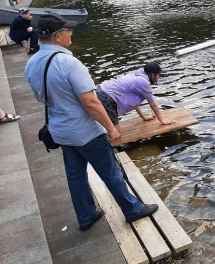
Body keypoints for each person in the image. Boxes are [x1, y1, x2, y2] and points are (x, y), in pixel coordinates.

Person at [24, 13, 159, 231]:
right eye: (69, 31)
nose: (71, 34)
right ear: (58, 36)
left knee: (75, 175)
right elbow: (91, 103)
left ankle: (86, 216)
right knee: (110, 171)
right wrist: (110, 128)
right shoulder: (69, 63)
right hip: (85, 131)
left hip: (60, 131)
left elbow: (39, 98)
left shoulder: (32, 63)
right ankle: (133, 210)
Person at [95, 62, 176, 130]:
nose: (159, 77)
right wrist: (163, 121)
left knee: (104, 126)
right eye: (158, 74)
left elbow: (134, 102)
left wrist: (143, 117)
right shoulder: (144, 82)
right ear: (153, 74)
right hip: (106, 98)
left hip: (100, 92)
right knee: (115, 132)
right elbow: (153, 105)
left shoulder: (137, 75)